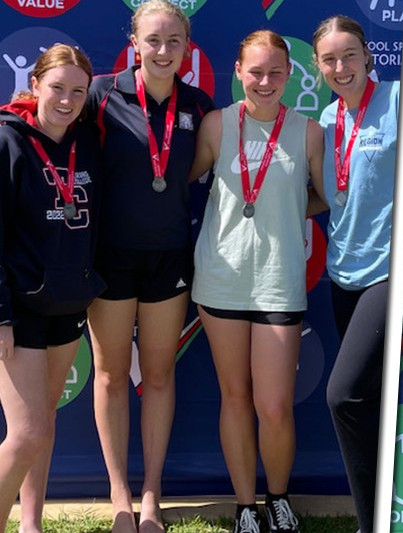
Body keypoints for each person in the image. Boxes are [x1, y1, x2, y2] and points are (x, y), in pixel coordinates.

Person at [84, 1, 214, 531]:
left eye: (174, 42)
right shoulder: (98, 93)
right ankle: (119, 497)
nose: (163, 51)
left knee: (158, 377)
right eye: (153, 41)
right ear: (134, 43)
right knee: (112, 376)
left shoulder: (199, 105)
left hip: (169, 260)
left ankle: (153, 494)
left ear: (187, 47)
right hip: (108, 258)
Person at [190, 30, 323, 533]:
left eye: (275, 72)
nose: (265, 82)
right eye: (255, 71)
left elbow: (328, 193)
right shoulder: (216, 125)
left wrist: (287, 211)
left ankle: (278, 499)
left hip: (278, 281)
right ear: (239, 73)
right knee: (235, 397)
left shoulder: (309, 132)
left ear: (290, 75)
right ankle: (246, 506)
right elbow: (190, 184)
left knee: (273, 405)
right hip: (220, 280)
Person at [0, 44, 104, 532]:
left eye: (77, 91)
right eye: (57, 87)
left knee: (46, 424)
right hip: (18, 309)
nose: (66, 99)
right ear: (35, 84)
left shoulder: (86, 141)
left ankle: (31, 524)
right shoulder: (8, 140)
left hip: (67, 302)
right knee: (26, 432)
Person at [311, 15, 399, 533]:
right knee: (366, 405)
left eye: (349, 55)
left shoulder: (400, 103)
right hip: (343, 272)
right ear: (318, 66)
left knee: (342, 396)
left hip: (391, 274)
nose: (340, 67)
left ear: (368, 55)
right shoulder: (324, 121)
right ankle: (382, 516)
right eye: (329, 59)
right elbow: (328, 194)